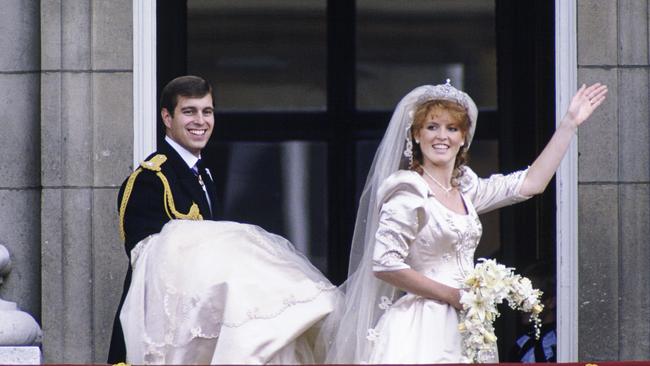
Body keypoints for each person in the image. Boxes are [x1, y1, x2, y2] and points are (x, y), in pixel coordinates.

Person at [321, 80, 607, 363]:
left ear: (463, 138)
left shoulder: (466, 190)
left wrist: (569, 124)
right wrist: (453, 295)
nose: (441, 136)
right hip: (422, 325)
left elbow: (530, 183)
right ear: (416, 136)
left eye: (451, 128)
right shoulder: (409, 190)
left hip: (468, 324)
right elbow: (385, 263)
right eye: (431, 127)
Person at [109, 75, 338, 364]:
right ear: (167, 117)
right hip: (167, 334)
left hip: (202, 325)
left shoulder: (204, 174)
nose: (200, 121)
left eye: (207, 111)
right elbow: (148, 264)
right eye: (189, 111)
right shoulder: (149, 179)